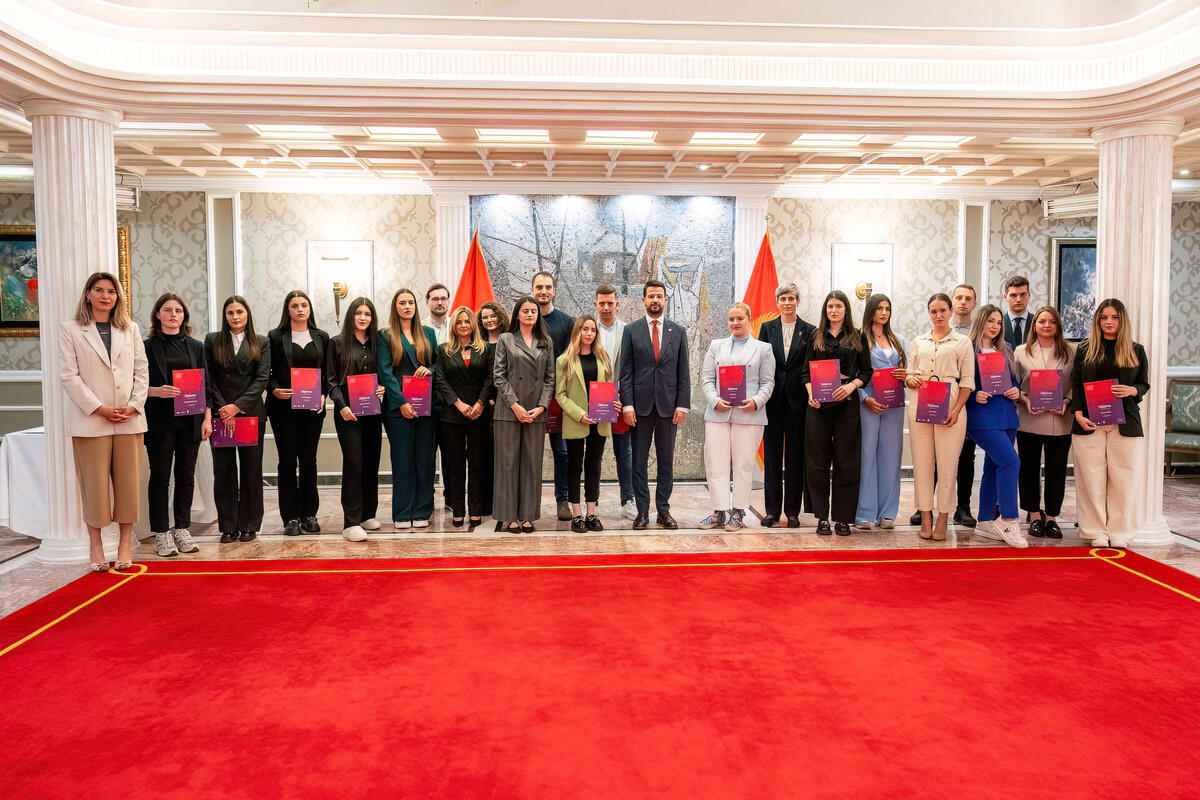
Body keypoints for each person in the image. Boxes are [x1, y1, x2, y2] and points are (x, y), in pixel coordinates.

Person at [60, 272, 149, 571]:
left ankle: (124, 544)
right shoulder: (71, 330)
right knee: (95, 488)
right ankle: (96, 545)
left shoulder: (130, 328)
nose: (105, 296)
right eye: (98, 290)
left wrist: (133, 406)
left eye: (111, 291)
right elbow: (69, 376)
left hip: (128, 420)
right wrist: (99, 408)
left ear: (117, 297)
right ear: (88, 294)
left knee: (128, 487)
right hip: (91, 422)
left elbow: (142, 371)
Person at [1070, 298, 1150, 549]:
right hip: (1089, 422)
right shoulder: (1085, 349)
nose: (1108, 322)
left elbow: (1143, 384)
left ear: (1122, 320)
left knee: (1124, 479)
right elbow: (1076, 384)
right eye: (1104, 317)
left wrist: (1132, 390)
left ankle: (1121, 532)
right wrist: (1078, 413)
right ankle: (1095, 531)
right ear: (1097, 321)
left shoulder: (1136, 350)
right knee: (1090, 478)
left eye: (1114, 317)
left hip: (1126, 422)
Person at [619, 280, 691, 530]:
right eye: (651, 296)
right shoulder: (631, 331)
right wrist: (627, 405)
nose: (655, 300)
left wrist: (683, 405)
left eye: (659, 296)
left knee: (666, 461)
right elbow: (626, 371)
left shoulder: (678, 331)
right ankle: (642, 511)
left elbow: (683, 371)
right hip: (639, 409)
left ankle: (663, 510)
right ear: (643, 300)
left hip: (668, 409)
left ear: (665, 300)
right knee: (638, 462)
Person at [143, 293, 210, 558]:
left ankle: (182, 528)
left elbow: (206, 385)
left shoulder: (196, 346)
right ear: (158, 315)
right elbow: (133, 384)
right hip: (159, 421)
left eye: (178, 311)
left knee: (186, 476)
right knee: (160, 477)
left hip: (190, 420)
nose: (173, 315)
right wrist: (155, 391)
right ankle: (161, 532)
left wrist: (207, 418)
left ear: (184, 316)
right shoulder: (147, 347)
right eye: (168, 310)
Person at [699, 303, 774, 532]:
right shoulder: (716, 346)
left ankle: (738, 512)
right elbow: (707, 378)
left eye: (739, 318)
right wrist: (714, 400)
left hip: (748, 414)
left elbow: (768, 382)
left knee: (743, 465)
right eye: (731, 319)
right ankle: (719, 511)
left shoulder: (763, 349)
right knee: (715, 464)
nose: (735, 323)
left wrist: (756, 401)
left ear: (749, 319)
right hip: (718, 414)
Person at [802, 290, 871, 536]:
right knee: (817, 462)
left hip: (847, 405)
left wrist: (852, 386)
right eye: (830, 306)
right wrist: (811, 394)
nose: (834, 310)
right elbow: (805, 373)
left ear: (846, 309)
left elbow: (866, 372)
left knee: (847, 462)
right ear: (825, 310)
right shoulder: (815, 336)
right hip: (819, 407)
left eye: (838, 306)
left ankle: (843, 518)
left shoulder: (858, 336)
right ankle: (822, 517)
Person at [909, 282, 979, 527]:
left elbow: (968, 380)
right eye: (933, 311)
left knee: (948, 467)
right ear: (929, 313)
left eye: (942, 311)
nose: (938, 315)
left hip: (951, 406)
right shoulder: (918, 341)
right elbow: (909, 373)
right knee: (922, 466)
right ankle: (925, 515)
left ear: (950, 312)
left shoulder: (962, 342)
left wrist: (957, 410)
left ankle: (943, 517)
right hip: (920, 404)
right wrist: (910, 379)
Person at [205, 295, 270, 544]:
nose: (235, 316)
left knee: (251, 470)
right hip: (220, 414)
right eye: (230, 312)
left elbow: (262, 379)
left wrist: (237, 406)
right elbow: (208, 377)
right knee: (223, 471)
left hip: (250, 413)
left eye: (239, 312)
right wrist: (224, 408)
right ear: (225, 316)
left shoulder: (261, 342)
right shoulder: (212, 340)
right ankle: (228, 526)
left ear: (247, 314)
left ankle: (249, 525)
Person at [266, 290, 329, 536]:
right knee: (287, 461)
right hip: (283, 409)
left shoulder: (322, 337)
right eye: (294, 305)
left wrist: (323, 395)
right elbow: (266, 372)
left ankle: (309, 514)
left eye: (304, 305)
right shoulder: (275, 337)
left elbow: (328, 373)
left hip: (312, 409)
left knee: (309, 460)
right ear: (287, 310)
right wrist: (274, 390)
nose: (300, 309)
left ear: (310, 308)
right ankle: (290, 517)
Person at [325, 297, 386, 542]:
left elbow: (384, 373)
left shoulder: (378, 343)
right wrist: (342, 406)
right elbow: (330, 380)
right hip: (348, 413)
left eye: (367, 314)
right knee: (354, 463)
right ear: (351, 316)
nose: (362, 318)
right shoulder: (337, 343)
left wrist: (382, 387)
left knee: (371, 462)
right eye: (358, 313)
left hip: (373, 411)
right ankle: (350, 522)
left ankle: (367, 514)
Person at [966, 304, 1026, 548]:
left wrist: (1016, 390)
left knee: (993, 467)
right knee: (1011, 462)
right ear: (981, 321)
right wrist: (973, 395)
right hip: (982, 417)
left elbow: (1013, 381)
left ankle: (985, 520)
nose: (995, 326)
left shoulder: (1006, 349)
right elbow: (959, 383)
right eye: (991, 321)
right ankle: (1009, 519)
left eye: (999, 322)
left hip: (1007, 415)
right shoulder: (968, 349)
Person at [493, 296, 555, 533]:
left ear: (538, 315)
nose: (530, 314)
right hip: (508, 411)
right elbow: (499, 376)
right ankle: (509, 516)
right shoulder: (506, 339)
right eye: (525, 310)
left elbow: (550, 378)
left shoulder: (545, 342)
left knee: (531, 464)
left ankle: (528, 516)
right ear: (517, 314)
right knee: (507, 464)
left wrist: (541, 406)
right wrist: (515, 405)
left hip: (535, 411)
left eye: (533, 311)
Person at [1013, 306, 1076, 539]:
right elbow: (1014, 385)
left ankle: (1051, 517)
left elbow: (1075, 384)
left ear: (1058, 325)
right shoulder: (1021, 352)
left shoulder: (1071, 352)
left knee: (1056, 471)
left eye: (1052, 321)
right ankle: (1034, 515)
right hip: (1029, 419)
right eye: (1041, 321)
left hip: (1060, 421)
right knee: (1028, 469)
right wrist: (1025, 400)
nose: (1046, 325)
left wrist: (1067, 401)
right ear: (1035, 325)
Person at [378, 288, 438, 529]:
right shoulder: (385, 335)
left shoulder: (428, 333)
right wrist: (401, 402)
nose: (407, 306)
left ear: (416, 305)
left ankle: (422, 511)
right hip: (398, 409)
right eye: (402, 303)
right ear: (395, 307)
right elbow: (385, 372)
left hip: (426, 406)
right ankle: (402, 513)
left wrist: (430, 370)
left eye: (410, 302)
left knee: (425, 460)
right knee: (402, 460)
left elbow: (438, 364)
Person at [758, 283, 815, 528]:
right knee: (772, 458)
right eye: (783, 299)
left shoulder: (810, 330)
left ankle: (792, 512)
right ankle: (772, 511)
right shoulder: (766, 328)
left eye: (791, 298)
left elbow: (811, 365)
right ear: (777, 302)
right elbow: (761, 362)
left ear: (798, 302)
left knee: (795, 459)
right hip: (771, 401)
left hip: (798, 402)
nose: (787, 303)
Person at [556, 315, 619, 532]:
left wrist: (615, 403)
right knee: (574, 466)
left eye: (593, 330)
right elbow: (560, 395)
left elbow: (607, 387)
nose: (589, 333)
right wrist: (580, 414)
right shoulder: (564, 360)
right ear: (578, 331)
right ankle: (577, 515)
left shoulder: (603, 358)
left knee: (594, 466)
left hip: (600, 421)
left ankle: (591, 513)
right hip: (577, 421)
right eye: (585, 329)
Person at [435, 306, 494, 530]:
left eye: (467, 321)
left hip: (479, 415)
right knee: (455, 465)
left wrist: (480, 404)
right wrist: (458, 404)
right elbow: (440, 380)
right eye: (458, 322)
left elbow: (490, 379)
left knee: (478, 464)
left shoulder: (485, 349)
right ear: (453, 326)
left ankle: (476, 510)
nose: (463, 325)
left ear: (473, 324)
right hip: (452, 415)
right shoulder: (444, 350)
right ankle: (458, 511)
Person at [855, 293, 906, 531]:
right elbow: (852, 373)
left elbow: (905, 371)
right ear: (871, 311)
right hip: (868, 402)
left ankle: (887, 513)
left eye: (887, 308)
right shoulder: (859, 338)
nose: (884, 312)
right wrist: (864, 398)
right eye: (879, 308)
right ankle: (864, 513)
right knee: (867, 456)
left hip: (893, 405)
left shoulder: (898, 340)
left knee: (891, 458)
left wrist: (905, 375)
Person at [531, 270, 575, 521]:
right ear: (532, 290)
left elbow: (569, 361)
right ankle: (528, 502)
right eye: (539, 287)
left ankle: (563, 500)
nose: (543, 291)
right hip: (529, 399)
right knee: (530, 453)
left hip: (558, 398)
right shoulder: (524, 319)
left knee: (562, 452)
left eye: (547, 287)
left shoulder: (567, 322)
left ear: (554, 291)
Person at [594, 285, 636, 520]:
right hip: (596, 398)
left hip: (620, 398)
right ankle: (593, 501)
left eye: (610, 303)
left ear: (617, 304)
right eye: (602, 303)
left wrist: (625, 399)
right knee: (595, 452)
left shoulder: (627, 330)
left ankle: (628, 499)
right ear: (596, 305)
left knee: (624, 452)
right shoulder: (588, 329)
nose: (606, 307)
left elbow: (631, 368)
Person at [476, 301, 509, 518]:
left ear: (500, 317)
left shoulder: (509, 340)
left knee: (503, 458)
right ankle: (485, 504)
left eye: (492, 316)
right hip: (483, 407)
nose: (489, 320)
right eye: (485, 317)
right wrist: (485, 399)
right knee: (484, 457)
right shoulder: (477, 343)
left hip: (506, 405)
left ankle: (503, 502)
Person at [1002, 275, 1032, 350]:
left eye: (1023, 294)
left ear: (1029, 296)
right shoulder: (998, 323)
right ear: (1005, 297)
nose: (1018, 299)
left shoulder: (1037, 322)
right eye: (1013, 295)